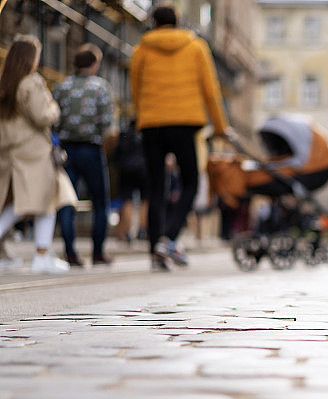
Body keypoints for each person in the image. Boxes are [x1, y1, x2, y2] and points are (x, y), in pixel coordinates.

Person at [130, 3, 229, 272]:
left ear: (153, 23)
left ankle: (155, 251)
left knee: (156, 187)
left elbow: (135, 89)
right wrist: (220, 126)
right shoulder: (196, 47)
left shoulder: (141, 49)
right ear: (178, 21)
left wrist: (142, 116)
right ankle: (170, 238)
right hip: (185, 122)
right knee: (190, 182)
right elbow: (211, 90)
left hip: (151, 124)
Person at [0, 35, 76, 274]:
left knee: (24, 203)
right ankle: (41, 256)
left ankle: (42, 255)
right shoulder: (31, 82)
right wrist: (54, 108)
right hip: (34, 151)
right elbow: (42, 116)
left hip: (10, 150)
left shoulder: (5, 83)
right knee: (43, 201)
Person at [52, 43, 114, 267]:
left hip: (66, 149)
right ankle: (98, 252)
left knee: (67, 199)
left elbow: (53, 118)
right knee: (100, 202)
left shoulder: (61, 87)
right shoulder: (101, 87)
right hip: (91, 148)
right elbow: (107, 121)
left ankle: (70, 252)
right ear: (94, 64)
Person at [113, 118, 149, 243]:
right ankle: (142, 229)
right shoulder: (147, 133)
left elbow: (116, 153)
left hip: (127, 170)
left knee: (127, 200)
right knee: (145, 199)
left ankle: (127, 231)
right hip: (144, 169)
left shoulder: (124, 133)